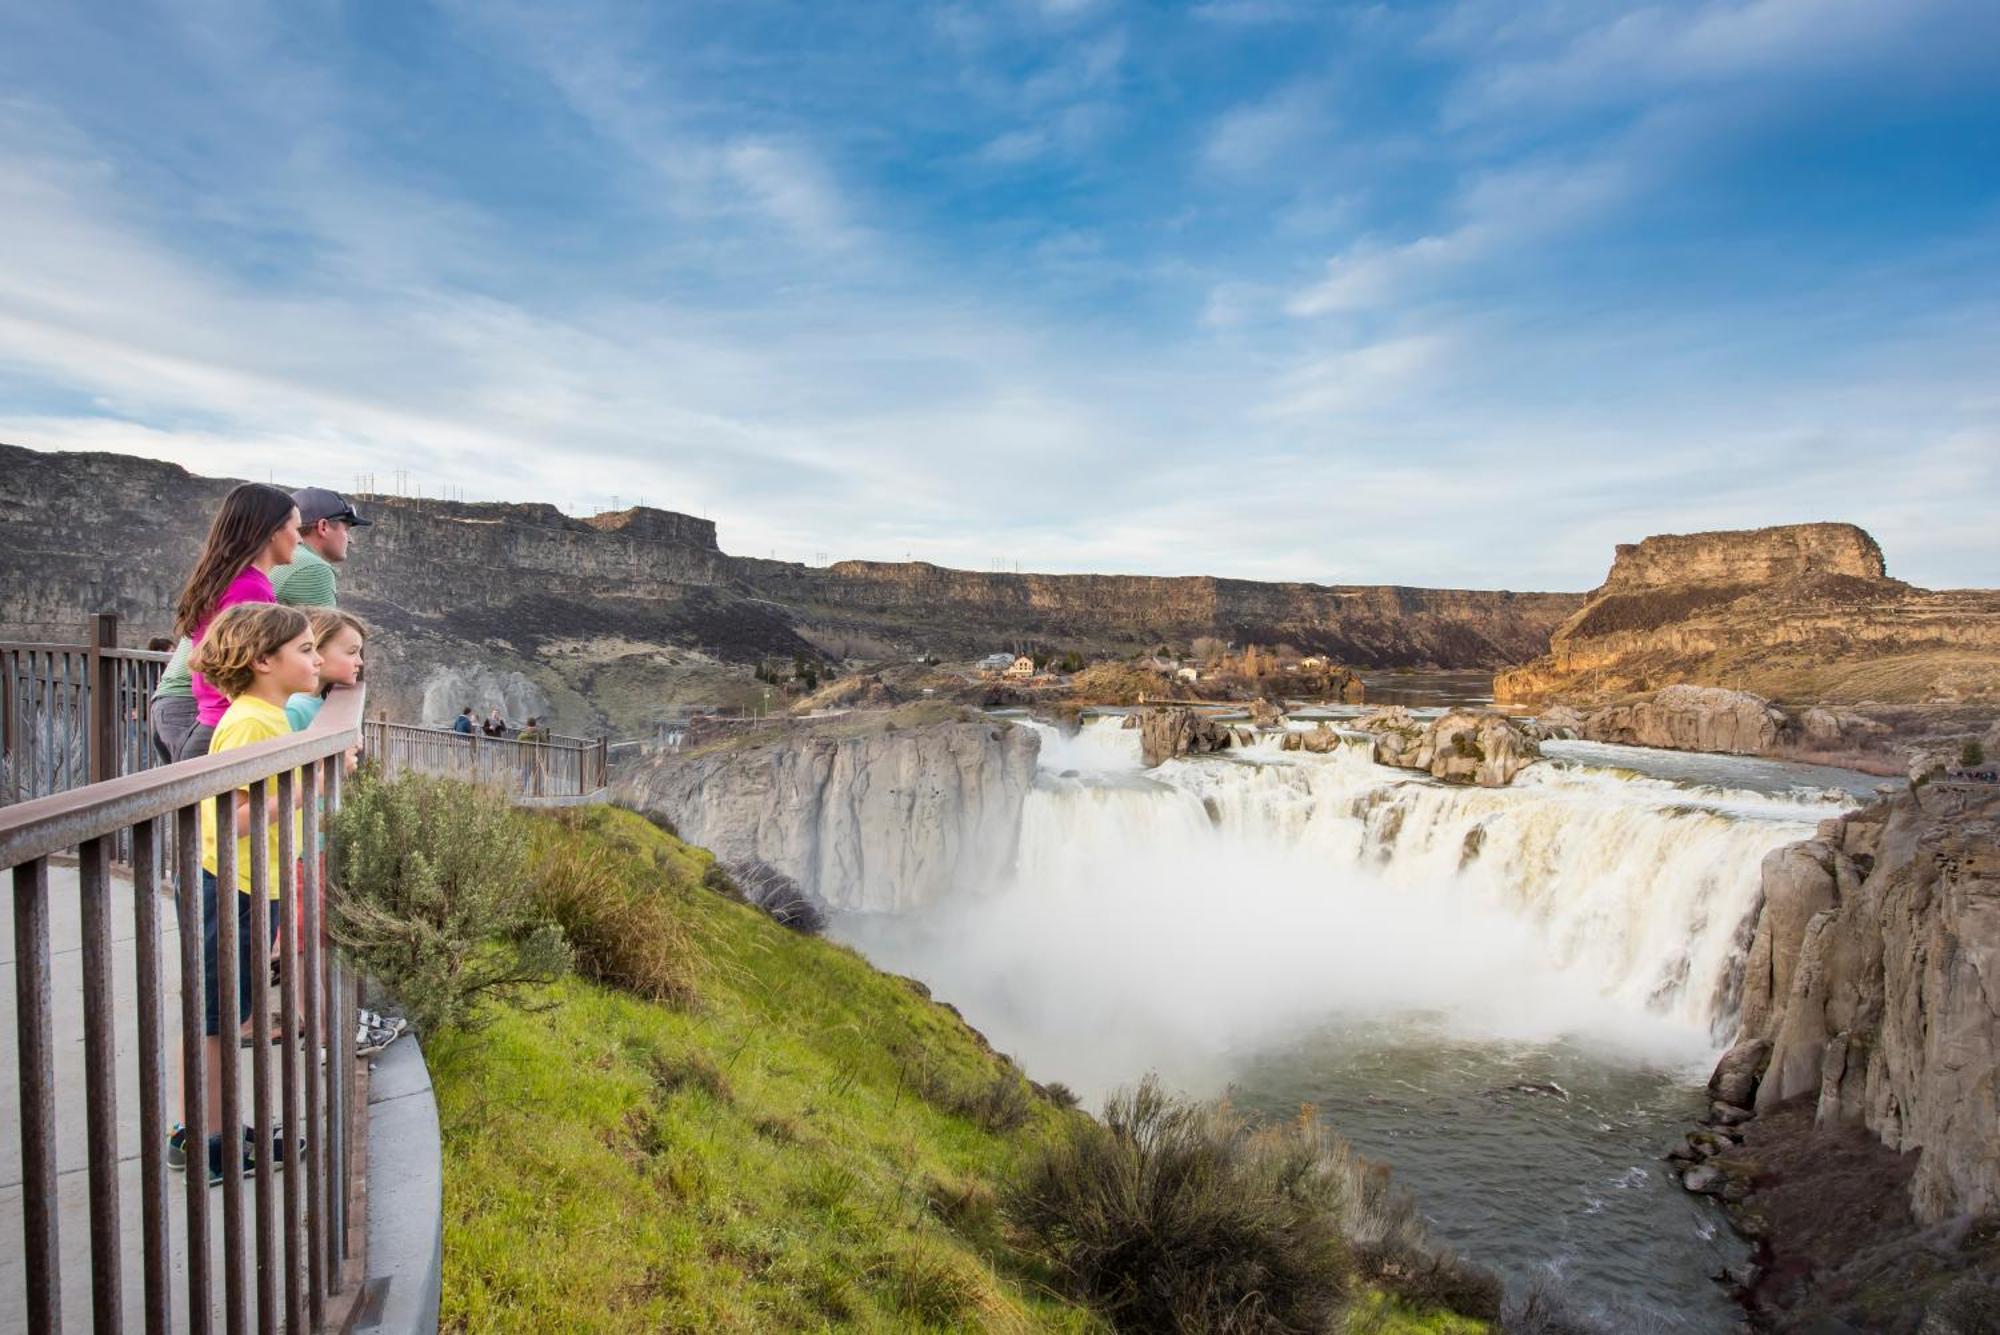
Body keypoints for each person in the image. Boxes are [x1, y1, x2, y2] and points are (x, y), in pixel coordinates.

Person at [167, 603, 319, 1183]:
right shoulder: (254, 721)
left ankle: (212, 1128)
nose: (313, 657)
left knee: (226, 1009)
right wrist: (305, 788)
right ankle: (211, 1142)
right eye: (303, 649)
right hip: (234, 886)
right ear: (262, 661)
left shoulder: (263, 714)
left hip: (249, 883)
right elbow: (230, 814)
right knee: (218, 1015)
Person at [149, 483, 301, 765]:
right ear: (271, 532)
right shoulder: (249, 591)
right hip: (226, 722)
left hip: (213, 719)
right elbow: (241, 662)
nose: (299, 539)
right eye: (295, 529)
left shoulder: (233, 581)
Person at [270, 487, 370, 608]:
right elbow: (325, 627)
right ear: (323, 527)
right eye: (346, 530)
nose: (350, 540)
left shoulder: (278, 557)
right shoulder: (313, 568)